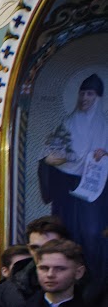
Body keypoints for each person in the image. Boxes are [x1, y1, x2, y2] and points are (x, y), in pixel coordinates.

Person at [39, 74, 108, 276]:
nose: (85, 98)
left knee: (93, 232)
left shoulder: (105, 127)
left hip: (94, 189)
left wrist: (105, 155)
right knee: (67, 232)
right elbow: (47, 156)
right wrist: (61, 158)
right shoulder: (66, 124)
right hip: (65, 186)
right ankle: (67, 275)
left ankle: (95, 278)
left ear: (99, 98)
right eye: (82, 93)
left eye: (90, 94)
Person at [0, 215, 71, 307]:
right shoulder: (8, 289)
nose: (41, 253)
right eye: (35, 248)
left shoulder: (85, 289)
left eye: (49, 246)